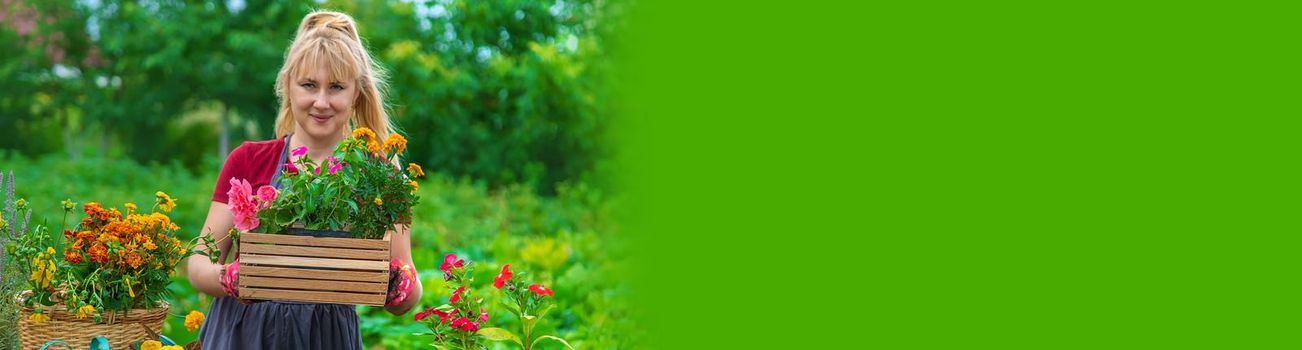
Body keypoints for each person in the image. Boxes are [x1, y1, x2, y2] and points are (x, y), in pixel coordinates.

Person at [185, 10, 421, 349]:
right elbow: (198, 264)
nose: (321, 102)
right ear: (288, 87)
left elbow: (409, 289)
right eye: (309, 85)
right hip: (242, 334)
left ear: (356, 93)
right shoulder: (249, 160)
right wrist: (230, 278)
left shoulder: (381, 173)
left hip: (326, 337)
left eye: (336, 87)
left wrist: (401, 287)